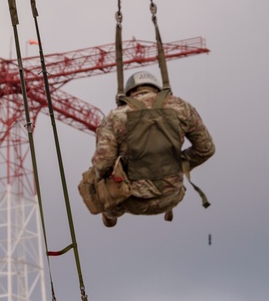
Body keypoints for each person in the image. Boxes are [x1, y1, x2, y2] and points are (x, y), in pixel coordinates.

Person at [82, 71, 214, 227]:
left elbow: (102, 164)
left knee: (90, 178)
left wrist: (106, 175)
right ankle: (165, 202)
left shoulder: (115, 116)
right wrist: (177, 164)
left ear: (130, 92)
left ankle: (111, 213)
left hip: (130, 201)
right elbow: (206, 149)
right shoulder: (182, 108)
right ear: (156, 89)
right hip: (172, 196)